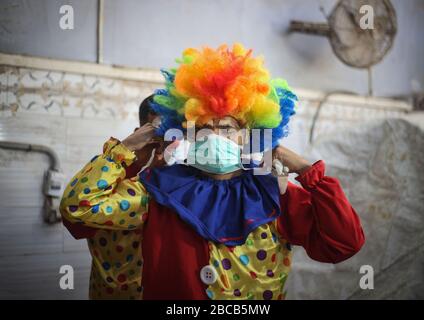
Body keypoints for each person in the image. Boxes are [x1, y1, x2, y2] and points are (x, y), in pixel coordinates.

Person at [60, 43, 365, 300]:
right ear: (185, 134)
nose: (215, 137)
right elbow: (78, 208)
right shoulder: (158, 190)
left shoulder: (274, 193)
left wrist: (306, 171)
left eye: (227, 128)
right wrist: (126, 147)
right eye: (203, 128)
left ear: (248, 134)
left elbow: (343, 243)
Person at [61, 95, 161, 299]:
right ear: (142, 136)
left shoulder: (197, 186)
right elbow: (76, 207)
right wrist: (125, 149)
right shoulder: (115, 181)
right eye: (161, 133)